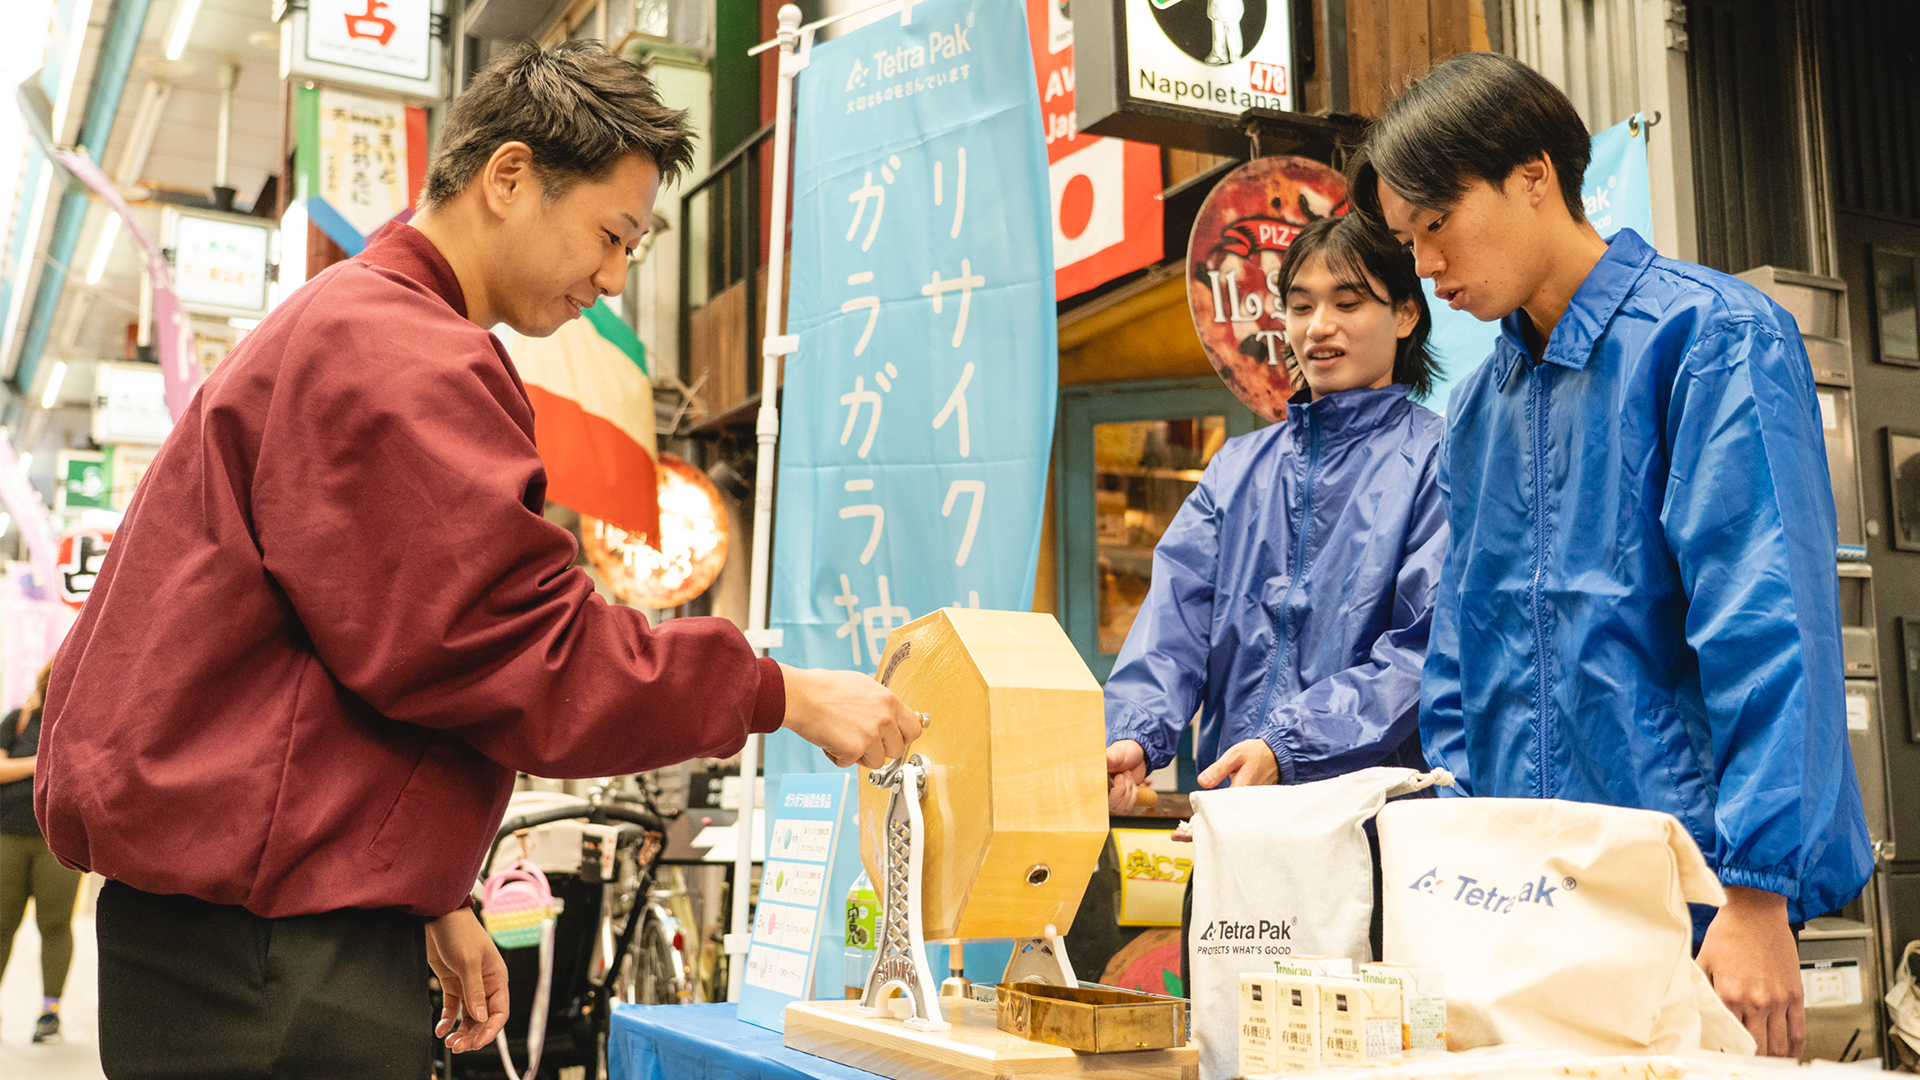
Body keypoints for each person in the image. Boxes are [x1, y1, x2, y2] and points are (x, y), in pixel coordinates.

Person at [36, 42, 919, 1079]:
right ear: (508, 177)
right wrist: (777, 691)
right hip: (267, 960)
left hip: (250, 930)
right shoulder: (394, 350)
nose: (615, 277)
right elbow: (510, 642)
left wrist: (432, 888)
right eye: (610, 233)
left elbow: (357, 657)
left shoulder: (358, 327)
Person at [1353, 51, 1872, 1058]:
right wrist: (1459, 843)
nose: (1424, 263)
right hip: (1514, 896)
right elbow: (1459, 652)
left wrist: (1759, 893)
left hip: (1684, 888)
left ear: (1533, 176)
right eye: (1408, 240)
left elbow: (1770, 621)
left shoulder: (1713, 338)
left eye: (1435, 224)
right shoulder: (1476, 409)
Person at [1104, 213, 1447, 812]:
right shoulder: (1236, 467)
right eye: (1300, 305)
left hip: (1370, 827)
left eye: (1348, 302)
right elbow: (1174, 623)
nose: (1319, 326)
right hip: (1233, 814)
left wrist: (1286, 746)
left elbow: (1425, 649)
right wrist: (1134, 733)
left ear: (1406, 314)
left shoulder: (1438, 456)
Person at [1, 662, 81, 1046]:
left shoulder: (80, 722)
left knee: (55, 925)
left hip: (58, 841)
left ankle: (49, 1013)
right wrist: (43, 763)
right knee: (1, 925)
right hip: (8, 836)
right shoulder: (20, 719)